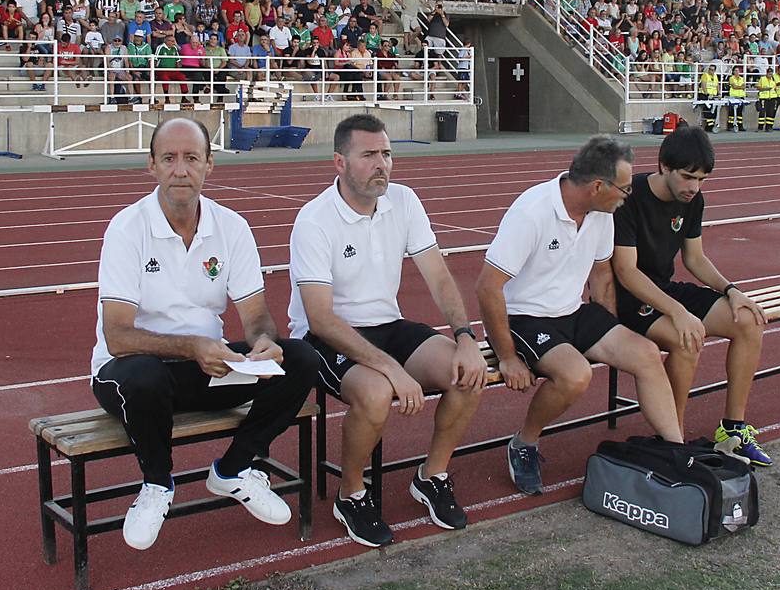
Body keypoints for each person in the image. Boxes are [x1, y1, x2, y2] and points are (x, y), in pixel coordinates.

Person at [90, 117, 316, 551]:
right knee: (144, 377)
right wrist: (192, 346)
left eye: (191, 158)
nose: (181, 169)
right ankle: (157, 484)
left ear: (209, 165)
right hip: (130, 376)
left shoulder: (231, 227)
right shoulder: (126, 229)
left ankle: (233, 469)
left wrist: (263, 343)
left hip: (206, 370)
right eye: (169, 159)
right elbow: (117, 336)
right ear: (151, 166)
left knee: (300, 358)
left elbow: (256, 318)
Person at [287, 114, 487, 547]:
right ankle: (351, 493)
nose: (383, 164)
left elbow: (437, 275)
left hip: (388, 325)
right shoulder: (314, 220)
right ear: (339, 162)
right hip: (326, 337)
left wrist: (466, 337)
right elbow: (320, 318)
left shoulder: (405, 200)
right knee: (377, 392)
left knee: (468, 374)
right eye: (370, 155)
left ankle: (431, 476)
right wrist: (392, 370)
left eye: (387, 154)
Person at [477, 136, 684, 496]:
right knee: (576, 376)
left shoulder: (602, 213)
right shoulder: (532, 212)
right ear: (596, 186)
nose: (628, 196)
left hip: (573, 311)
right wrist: (508, 357)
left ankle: (676, 452)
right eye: (624, 188)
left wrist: (609, 328)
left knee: (647, 354)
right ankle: (524, 443)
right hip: (526, 317)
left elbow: (602, 275)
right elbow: (487, 287)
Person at [610, 127, 772, 464]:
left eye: (701, 179)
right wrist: (678, 313)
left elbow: (694, 258)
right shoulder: (629, 196)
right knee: (687, 339)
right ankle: (674, 438)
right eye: (687, 177)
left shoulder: (693, 200)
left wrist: (732, 291)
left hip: (665, 291)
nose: (694, 187)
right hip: (630, 298)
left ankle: (732, 431)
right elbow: (627, 272)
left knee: (748, 321)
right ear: (664, 167)